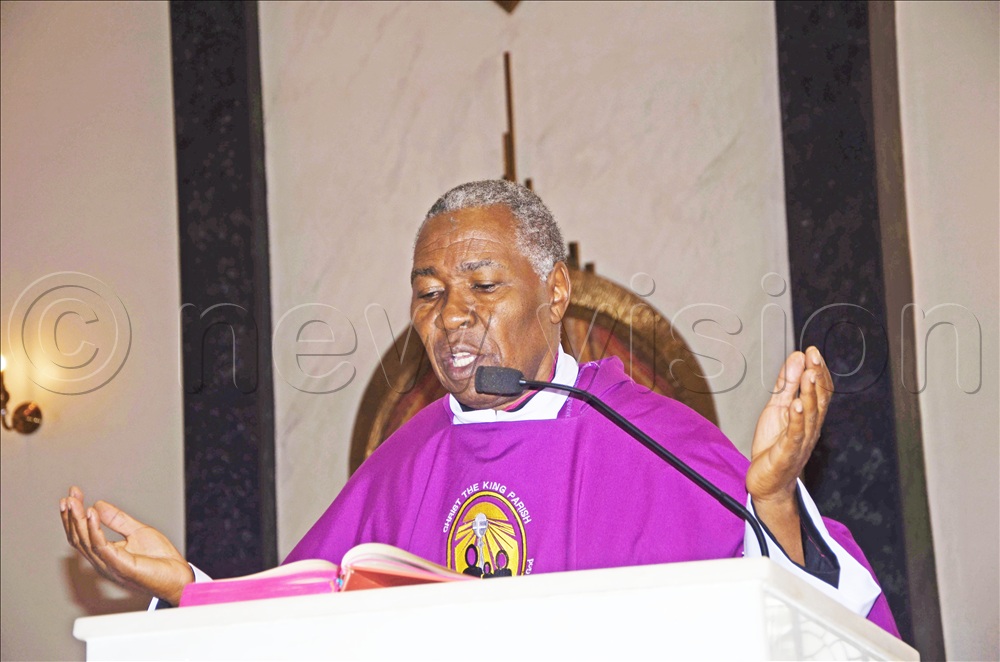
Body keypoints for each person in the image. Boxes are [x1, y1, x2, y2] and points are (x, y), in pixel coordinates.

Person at [61, 180, 898, 635]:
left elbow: (827, 618)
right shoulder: (406, 458)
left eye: (482, 286)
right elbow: (299, 625)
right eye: (427, 294)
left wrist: (779, 499)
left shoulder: (648, 433)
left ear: (556, 289)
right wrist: (185, 584)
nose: (450, 316)